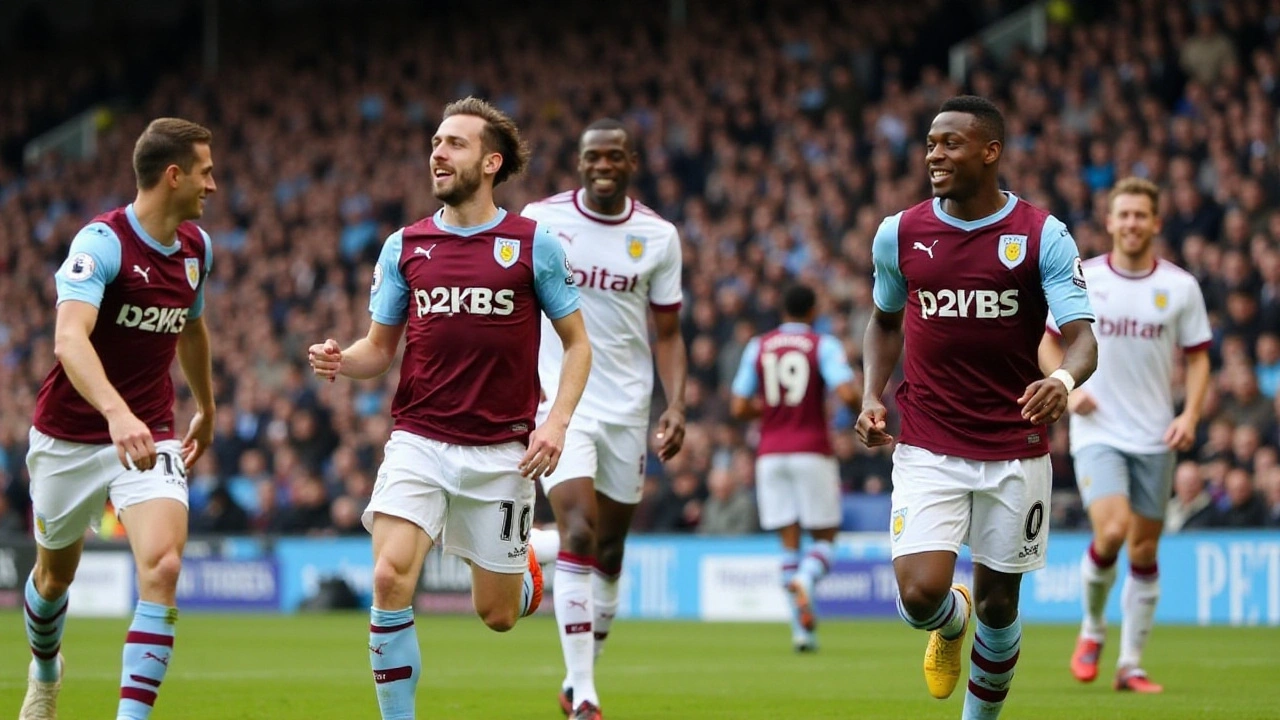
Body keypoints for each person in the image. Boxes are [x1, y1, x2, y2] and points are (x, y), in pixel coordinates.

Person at [307, 97, 592, 720]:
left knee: (496, 616)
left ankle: (526, 569)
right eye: (436, 141)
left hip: (502, 453)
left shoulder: (532, 244)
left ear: (491, 162)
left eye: (455, 143)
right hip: (420, 440)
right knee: (388, 580)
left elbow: (578, 344)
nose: (438, 152)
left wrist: (557, 421)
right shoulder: (405, 245)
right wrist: (340, 358)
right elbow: (379, 349)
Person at [858, 95, 1097, 720]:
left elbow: (1083, 340)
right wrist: (870, 395)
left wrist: (1065, 383)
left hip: (1015, 445)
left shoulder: (1042, 235)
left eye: (950, 144)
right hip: (929, 439)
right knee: (919, 596)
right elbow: (883, 322)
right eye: (931, 143)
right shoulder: (900, 232)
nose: (934, 154)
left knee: (1000, 606)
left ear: (990, 151)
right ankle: (948, 620)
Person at [20, 118, 218, 720]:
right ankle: (46, 670)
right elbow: (68, 340)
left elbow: (190, 327)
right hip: (70, 436)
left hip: (152, 432)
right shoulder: (102, 243)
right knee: (54, 579)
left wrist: (206, 406)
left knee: (163, 564)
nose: (213, 185)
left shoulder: (196, 250)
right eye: (206, 172)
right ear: (173, 175)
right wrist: (114, 412)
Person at [520, 118, 686, 720]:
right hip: (562, 405)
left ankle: (578, 674)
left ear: (631, 162)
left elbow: (668, 332)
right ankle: (584, 694)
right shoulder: (542, 220)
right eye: (593, 156)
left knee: (610, 551)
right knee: (580, 534)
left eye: (614, 156)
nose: (603, 165)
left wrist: (677, 402)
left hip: (628, 408)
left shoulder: (659, 236)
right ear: (580, 162)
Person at [1039, 177, 1211, 694]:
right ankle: (1092, 629)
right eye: (1124, 215)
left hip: (1156, 435)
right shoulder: (1085, 277)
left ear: (1156, 223)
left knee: (1142, 551)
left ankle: (1130, 664)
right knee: (1111, 532)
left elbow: (1199, 357)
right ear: (1110, 222)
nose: (1132, 223)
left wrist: (1192, 416)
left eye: (1142, 215)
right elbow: (1048, 343)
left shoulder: (1181, 287)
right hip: (1099, 432)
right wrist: (1066, 389)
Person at [729, 283, 859, 652]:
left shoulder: (759, 345)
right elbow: (848, 393)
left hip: (769, 454)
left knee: (788, 542)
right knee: (826, 537)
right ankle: (806, 578)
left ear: (782, 311)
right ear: (813, 311)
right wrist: (842, 409)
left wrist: (770, 410)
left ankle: (803, 633)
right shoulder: (825, 345)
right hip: (811, 449)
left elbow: (738, 407)